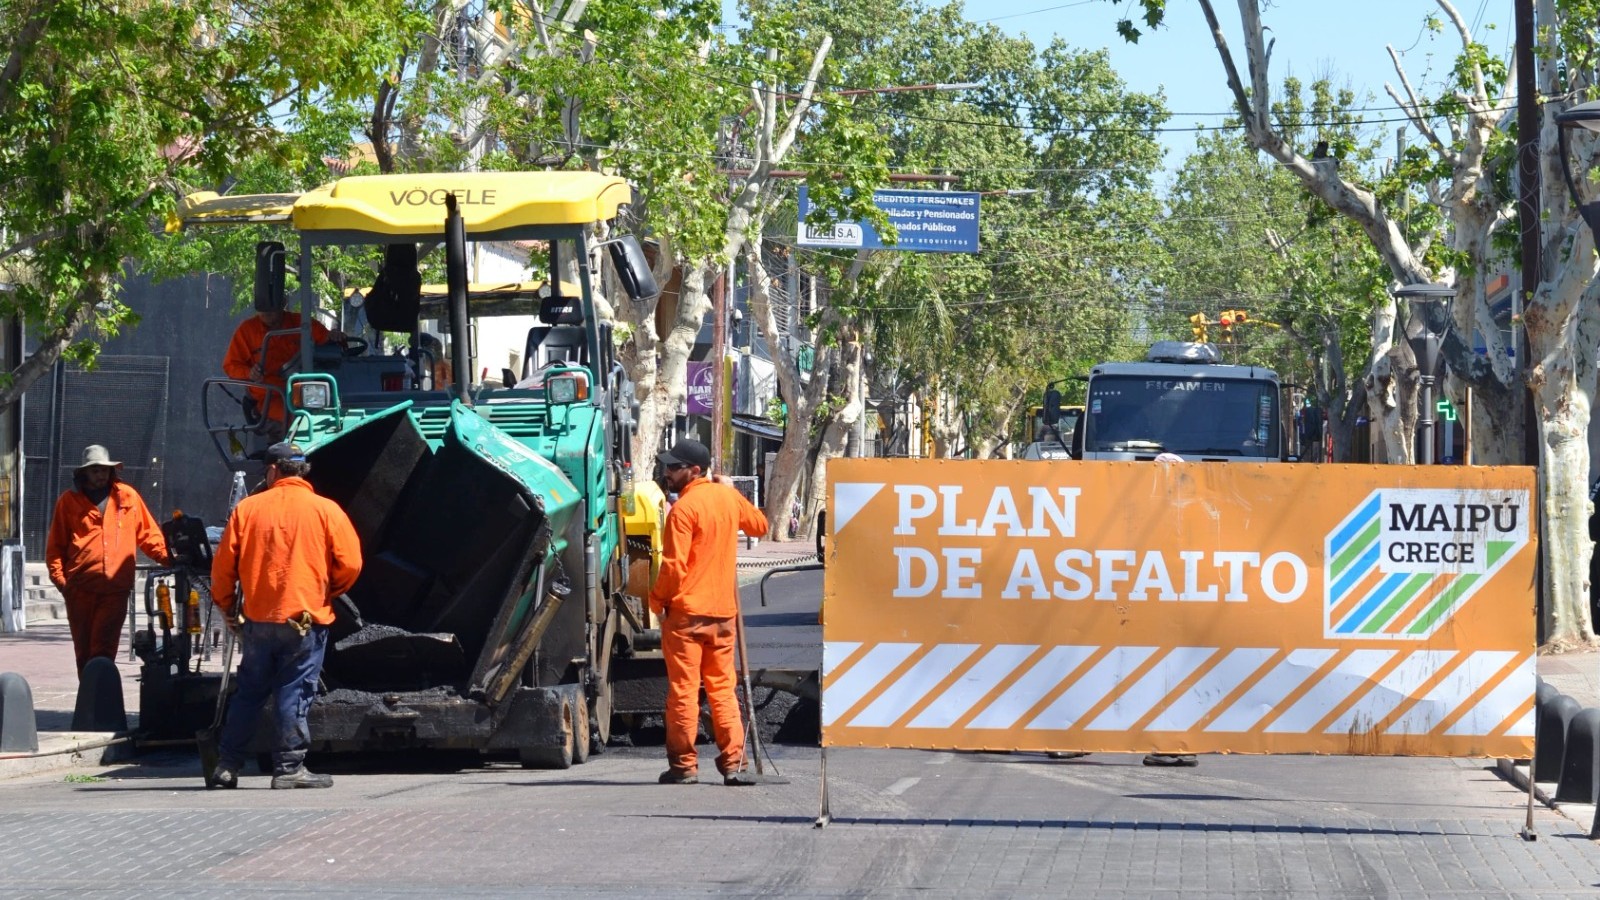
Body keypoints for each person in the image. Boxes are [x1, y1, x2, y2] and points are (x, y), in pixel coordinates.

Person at [206, 442, 363, 790]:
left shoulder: (247, 510)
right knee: (294, 690)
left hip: (259, 618)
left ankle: (227, 766)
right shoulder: (326, 510)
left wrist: (227, 606)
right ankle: (289, 767)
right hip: (305, 618)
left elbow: (223, 569)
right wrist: (328, 590)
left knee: (249, 692)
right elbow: (351, 563)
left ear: (273, 471)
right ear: (302, 471)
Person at [1051, 452, 1198, 769]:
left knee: (1164, 674)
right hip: (1124, 606)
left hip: (1165, 612)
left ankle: (1172, 744)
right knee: (1099, 668)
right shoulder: (1131, 507)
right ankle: (1082, 737)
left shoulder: (1191, 514)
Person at [647, 439, 769, 786]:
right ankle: (734, 763)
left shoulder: (684, 510)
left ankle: (684, 766)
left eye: (674, 467)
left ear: (694, 470)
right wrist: (732, 491)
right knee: (722, 688)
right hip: (722, 614)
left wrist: (657, 601)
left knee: (684, 691)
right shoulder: (726, 498)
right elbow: (760, 525)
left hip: (685, 614)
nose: (667, 473)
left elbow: (673, 567)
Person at [45, 445, 170, 674]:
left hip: (115, 590)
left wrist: (169, 558)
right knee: (83, 653)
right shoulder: (68, 501)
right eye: (95, 470)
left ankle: (102, 702)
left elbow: (149, 535)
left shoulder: (127, 496)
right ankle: (90, 704)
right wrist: (62, 583)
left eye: (104, 469)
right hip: (80, 590)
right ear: (84, 473)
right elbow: (55, 547)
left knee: (103, 651)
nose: (100, 474)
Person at [222, 297, 343, 434]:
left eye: (271, 306)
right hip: (270, 397)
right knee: (299, 417)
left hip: (308, 391)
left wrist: (335, 337)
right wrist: (249, 373)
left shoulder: (302, 324)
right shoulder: (247, 330)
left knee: (334, 412)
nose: (266, 311)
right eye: (262, 306)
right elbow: (231, 365)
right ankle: (294, 452)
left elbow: (327, 340)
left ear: (282, 302)